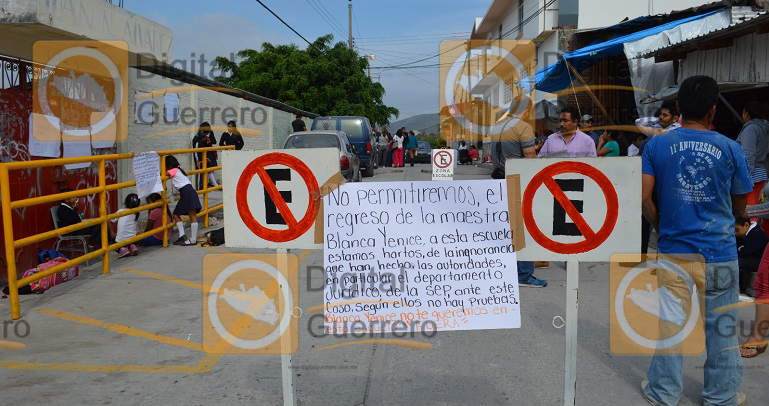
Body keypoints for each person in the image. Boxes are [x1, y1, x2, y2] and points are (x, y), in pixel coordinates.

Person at [641, 75, 750, 406]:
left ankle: (664, 392)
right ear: (714, 110)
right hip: (720, 253)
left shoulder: (656, 145)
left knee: (671, 326)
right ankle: (721, 396)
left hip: (674, 252)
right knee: (722, 330)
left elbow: (644, 198)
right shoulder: (731, 148)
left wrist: (660, 226)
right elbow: (740, 202)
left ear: (677, 108)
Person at [492, 98, 547, 288]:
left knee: (507, 228)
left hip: (498, 181)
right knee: (522, 230)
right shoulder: (523, 127)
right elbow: (529, 157)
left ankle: (504, 270)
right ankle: (523, 275)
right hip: (517, 181)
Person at [736, 101, 769, 207]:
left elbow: (748, 155)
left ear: (747, 113)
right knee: (756, 208)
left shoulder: (751, 128)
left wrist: (745, 178)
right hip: (762, 173)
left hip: (753, 175)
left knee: (749, 210)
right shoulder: (765, 127)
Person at [165, 155, 202, 246]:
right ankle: (192, 239)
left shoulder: (173, 170)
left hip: (186, 193)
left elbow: (164, 174)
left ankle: (183, 236)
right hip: (191, 191)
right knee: (192, 215)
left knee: (176, 214)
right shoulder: (179, 170)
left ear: (169, 165)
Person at [735, 216, 769, 297]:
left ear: (746, 225)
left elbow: (746, 252)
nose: (735, 233)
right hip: (754, 258)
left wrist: (739, 250)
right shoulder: (748, 232)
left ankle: (740, 286)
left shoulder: (755, 234)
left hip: (760, 261)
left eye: (737, 230)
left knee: (738, 262)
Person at [109, 193, 141, 258]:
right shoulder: (137, 212)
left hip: (121, 239)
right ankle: (133, 246)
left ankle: (122, 249)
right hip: (133, 238)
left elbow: (109, 220)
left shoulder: (121, 211)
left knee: (113, 241)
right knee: (134, 235)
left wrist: (112, 232)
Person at [192, 122, 218, 190]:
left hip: (204, 155)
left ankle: (204, 186)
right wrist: (197, 160)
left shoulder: (203, 136)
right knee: (200, 171)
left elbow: (211, 143)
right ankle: (199, 188)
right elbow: (196, 151)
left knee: (206, 169)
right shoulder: (197, 139)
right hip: (199, 155)